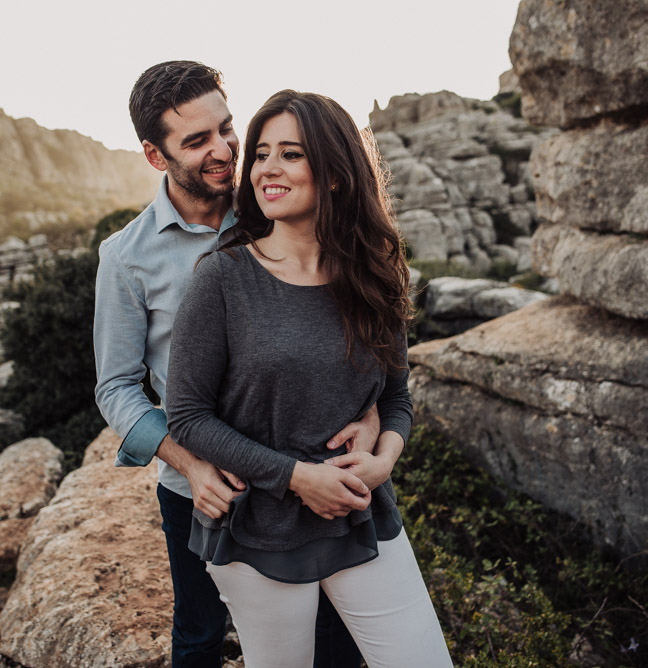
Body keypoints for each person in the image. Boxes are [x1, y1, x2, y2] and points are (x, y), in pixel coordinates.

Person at [94, 62, 377, 668]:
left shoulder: (276, 207)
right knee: (199, 635)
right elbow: (116, 386)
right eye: (196, 141)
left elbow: (348, 327)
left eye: (226, 128)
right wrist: (190, 464)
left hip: (309, 471)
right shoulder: (125, 258)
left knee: (333, 639)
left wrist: (374, 411)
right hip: (205, 489)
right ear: (154, 154)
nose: (223, 150)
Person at [166, 90, 454, 667]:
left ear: (336, 175)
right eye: (262, 153)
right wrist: (296, 477)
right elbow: (187, 417)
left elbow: (396, 396)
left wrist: (385, 459)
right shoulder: (222, 278)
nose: (267, 168)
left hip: (359, 510)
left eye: (291, 154)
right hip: (258, 529)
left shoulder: (374, 271)